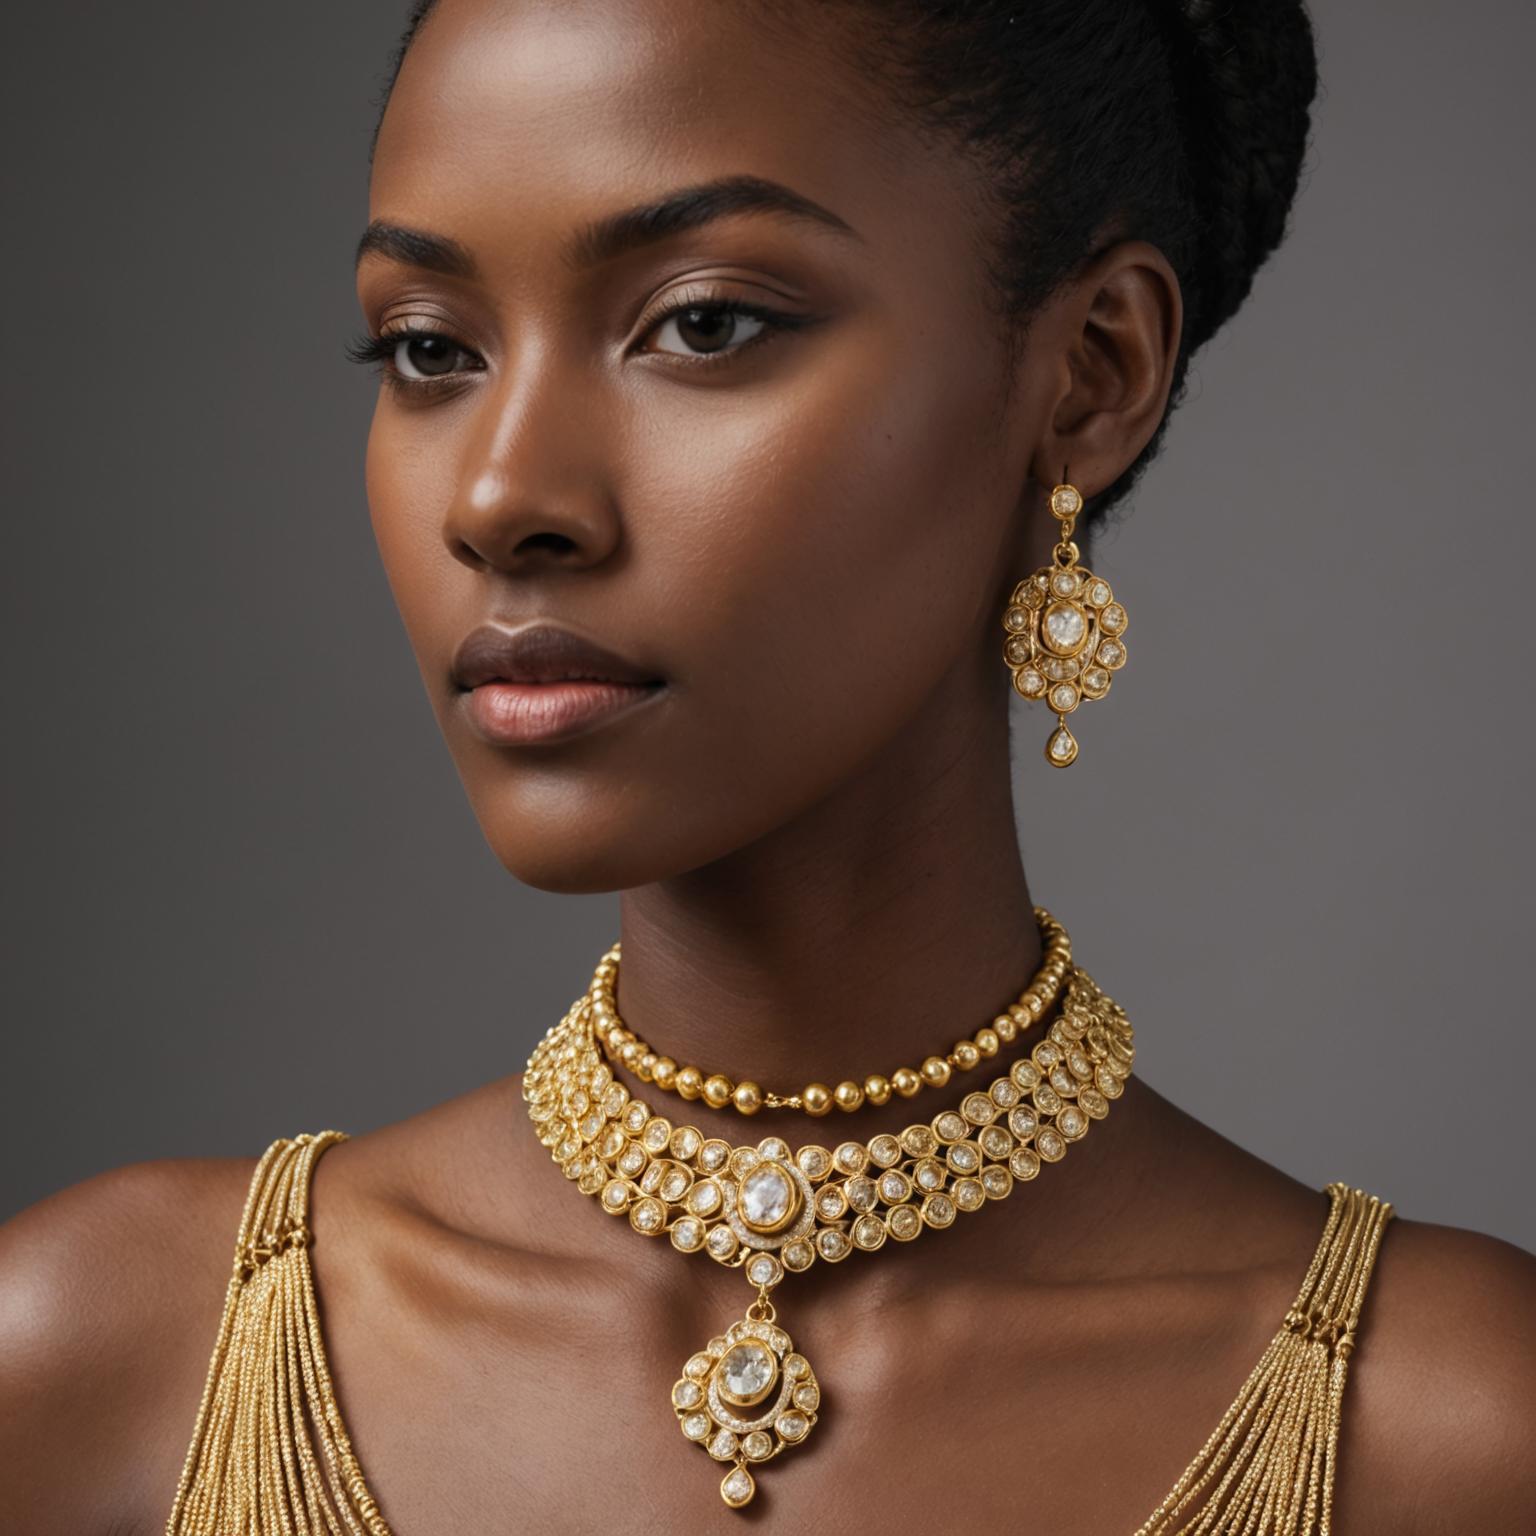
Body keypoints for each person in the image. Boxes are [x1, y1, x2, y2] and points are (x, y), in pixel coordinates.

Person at [3, 1, 1534, 1531]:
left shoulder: (1444, 1435)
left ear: (1089, 374)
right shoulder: (113, 1360)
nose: (500, 495)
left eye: (705, 324)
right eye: (430, 349)